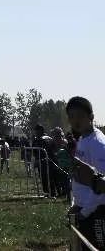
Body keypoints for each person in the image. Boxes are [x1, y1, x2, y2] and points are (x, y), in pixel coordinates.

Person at [66, 97, 105, 249]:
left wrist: (84, 212)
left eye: (80, 116)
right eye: (71, 117)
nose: (76, 121)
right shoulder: (83, 138)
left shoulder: (98, 144)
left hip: (96, 212)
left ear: (91, 117)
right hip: (85, 209)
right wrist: (77, 204)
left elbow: (102, 188)